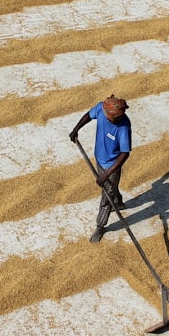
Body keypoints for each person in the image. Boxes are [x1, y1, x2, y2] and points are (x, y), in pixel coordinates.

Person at [69, 95, 131, 243]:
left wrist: (107, 174)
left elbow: (125, 153)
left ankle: (100, 225)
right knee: (110, 188)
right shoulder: (102, 108)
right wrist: (76, 129)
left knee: (105, 197)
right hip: (99, 158)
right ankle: (119, 202)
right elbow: (88, 116)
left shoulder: (123, 127)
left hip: (112, 166)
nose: (106, 117)